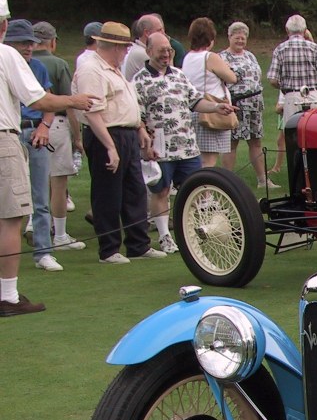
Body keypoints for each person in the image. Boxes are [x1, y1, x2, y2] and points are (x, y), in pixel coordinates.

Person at [0, 0, 95, 315]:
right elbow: (37, 98)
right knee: (11, 219)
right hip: (4, 139)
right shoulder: (6, 54)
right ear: (3, 25)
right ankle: (8, 296)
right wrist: (75, 99)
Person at [72, 20, 165, 264]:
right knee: (108, 193)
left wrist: (139, 129)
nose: (126, 53)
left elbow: (125, 103)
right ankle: (109, 249)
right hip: (106, 134)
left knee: (134, 190)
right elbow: (93, 113)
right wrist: (110, 146)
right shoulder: (92, 70)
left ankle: (138, 244)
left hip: (126, 133)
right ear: (114, 47)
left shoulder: (113, 68)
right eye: (124, 48)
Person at [135, 31, 237, 252]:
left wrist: (216, 107)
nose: (166, 54)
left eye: (169, 50)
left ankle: (190, 231)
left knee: (194, 190)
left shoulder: (178, 75)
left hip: (188, 147)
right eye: (161, 51)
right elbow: (138, 117)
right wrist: (146, 143)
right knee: (161, 191)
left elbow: (195, 101)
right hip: (160, 149)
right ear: (149, 50)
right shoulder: (140, 80)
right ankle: (164, 236)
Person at [6, 20, 60, 272]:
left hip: (35, 130)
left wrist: (44, 127)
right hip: (9, 132)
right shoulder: (5, 63)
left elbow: (47, 103)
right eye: (23, 43)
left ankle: (43, 252)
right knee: (9, 200)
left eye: (31, 42)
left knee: (40, 195)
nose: (29, 47)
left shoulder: (37, 67)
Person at [32, 21, 87, 253]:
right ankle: (60, 234)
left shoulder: (20, 62)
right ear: (53, 41)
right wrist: (77, 137)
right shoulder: (57, 64)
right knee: (58, 181)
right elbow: (69, 103)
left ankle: (34, 228)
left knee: (35, 182)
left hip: (26, 125)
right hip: (54, 124)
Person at [220, 21, 275, 187]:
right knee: (232, 142)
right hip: (236, 104)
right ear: (230, 37)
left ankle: (263, 180)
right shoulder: (222, 57)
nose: (240, 41)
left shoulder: (250, 55)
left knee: (256, 141)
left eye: (243, 38)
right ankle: (227, 181)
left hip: (254, 104)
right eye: (237, 37)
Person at [181, 17, 237, 167]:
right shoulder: (210, 57)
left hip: (194, 109)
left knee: (199, 157)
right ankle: (204, 190)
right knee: (209, 160)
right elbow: (232, 78)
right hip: (211, 111)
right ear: (210, 38)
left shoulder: (187, 57)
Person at [267, 14, 317, 124]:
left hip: (292, 98)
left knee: (294, 136)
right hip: (316, 97)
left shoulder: (280, 50)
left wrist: (284, 86)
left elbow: (273, 80)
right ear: (305, 30)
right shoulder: (315, 48)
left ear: (287, 30)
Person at [122, 14, 164, 81]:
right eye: (159, 30)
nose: (163, 33)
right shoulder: (144, 54)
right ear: (147, 33)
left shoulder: (132, 47)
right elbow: (164, 81)